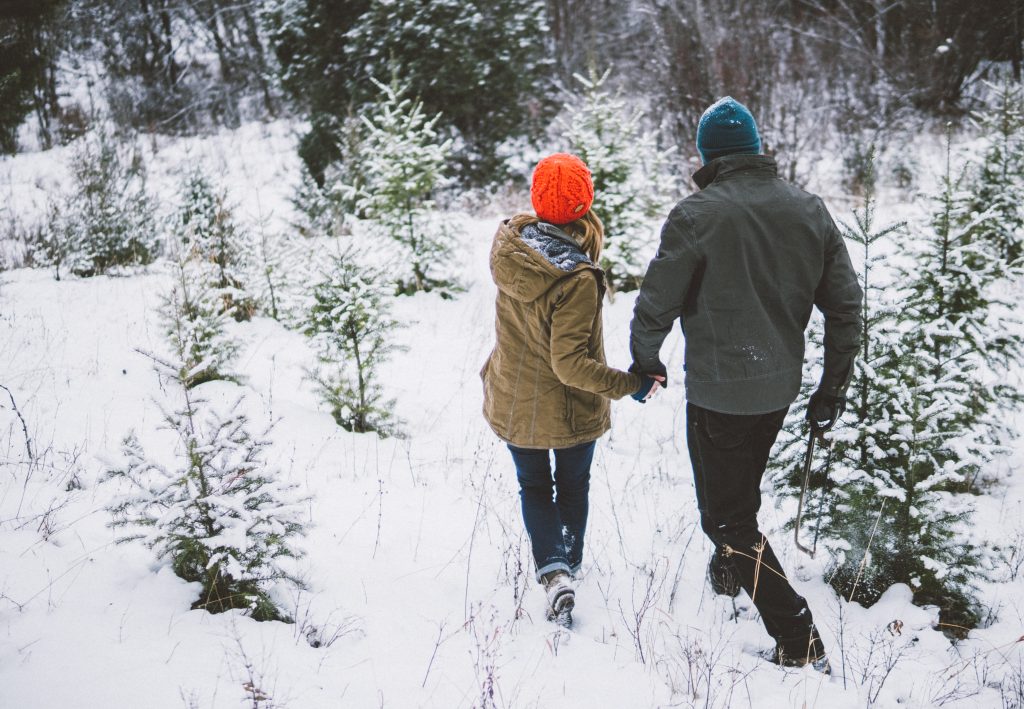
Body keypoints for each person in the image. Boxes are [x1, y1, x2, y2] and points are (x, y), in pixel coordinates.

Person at [628, 97, 862, 669]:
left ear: (709, 155)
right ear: (756, 149)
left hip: (720, 394)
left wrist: (646, 359)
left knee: (725, 517)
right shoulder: (810, 210)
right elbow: (846, 308)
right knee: (740, 492)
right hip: (779, 389)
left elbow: (656, 302)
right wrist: (831, 388)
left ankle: (797, 635)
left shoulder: (696, 214)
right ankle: (730, 570)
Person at [481, 153, 662, 627]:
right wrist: (632, 385)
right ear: (586, 203)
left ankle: (553, 570)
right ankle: (567, 568)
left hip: (514, 398)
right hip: (566, 410)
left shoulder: (513, 248)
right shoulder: (576, 276)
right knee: (572, 485)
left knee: (534, 486)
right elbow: (570, 365)